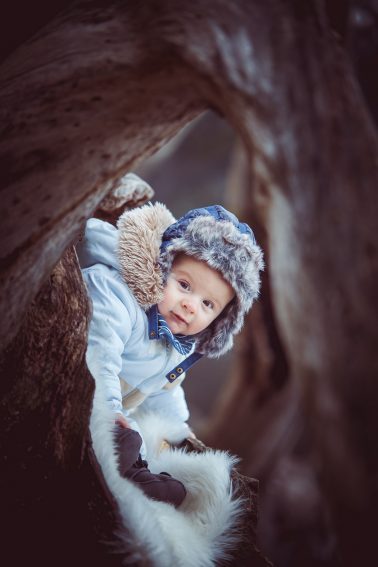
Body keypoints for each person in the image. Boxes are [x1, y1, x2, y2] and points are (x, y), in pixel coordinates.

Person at [77, 201, 264, 508]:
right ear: (162, 265)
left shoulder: (174, 341)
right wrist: (111, 411)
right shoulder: (118, 295)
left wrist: (180, 432)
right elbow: (100, 355)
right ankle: (130, 476)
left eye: (208, 305)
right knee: (124, 437)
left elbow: (164, 391)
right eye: (184, 285)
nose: (191, 305)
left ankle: (144, 475)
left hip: (109, 404)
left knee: (143, 437)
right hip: (83, 384)